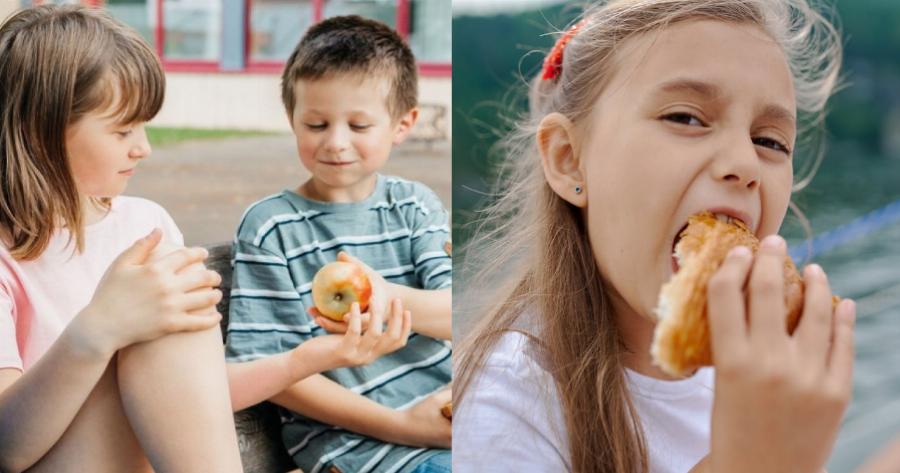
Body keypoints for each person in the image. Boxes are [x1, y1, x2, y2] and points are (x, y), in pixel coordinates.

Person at [453, 1, 855, 472]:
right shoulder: (497, 414)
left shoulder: (759, 372)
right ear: (568, 159)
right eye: (685, 118)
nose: (745, 164)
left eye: (770, 141)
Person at [0, 5, 243, 471]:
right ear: (40, 134)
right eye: (122, 129)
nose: (144, 147)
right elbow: (7, 450)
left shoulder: (145, 226)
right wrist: (99, 328)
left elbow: (188, 397)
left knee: (163, 311)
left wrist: (306, 361)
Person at [224, 15, 453, 473]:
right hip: (358, 449)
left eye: (359, 125)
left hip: (448, 423)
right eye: (316, 124)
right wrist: (403, 425)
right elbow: (272, 372)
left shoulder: (413, 206)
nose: (336, 143)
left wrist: (389, 296)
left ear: (402, 124)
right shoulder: (272, 227)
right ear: (292, 118)